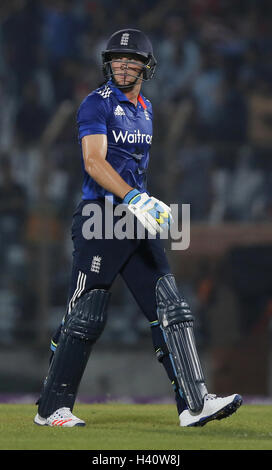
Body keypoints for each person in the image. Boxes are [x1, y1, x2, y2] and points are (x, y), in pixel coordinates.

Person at [34, 29, 242, 427]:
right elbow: (93, 162)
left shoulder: (146, 108)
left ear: (148, 67)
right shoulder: (95, 104)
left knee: (170, 308)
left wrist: (143, 202)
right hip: (101, 218)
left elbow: (130, 166)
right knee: (84, 315)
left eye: (132, 60)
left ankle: (194, 404)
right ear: (107, 63)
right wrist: (134, 197)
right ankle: (51, 408)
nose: (123, 66)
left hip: (135, 219)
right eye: (116, 59)